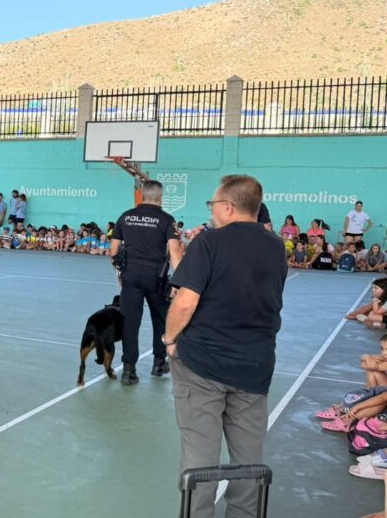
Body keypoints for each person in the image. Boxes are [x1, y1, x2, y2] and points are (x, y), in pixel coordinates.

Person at [162, 174, 287, 518]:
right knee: (249, 458)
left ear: (228, 207)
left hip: (203, 364)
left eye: (213, 204)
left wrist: (169, 339)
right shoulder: (276, 246)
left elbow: (185, 300)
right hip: (255, 366)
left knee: (199, 458)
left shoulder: (209, 242)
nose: (212, 211)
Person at [110, 180, 184, 384]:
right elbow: (175, 251)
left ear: (142, 196)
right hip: (155, 278)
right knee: (160, 319)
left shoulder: (126, 216)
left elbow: (114, 250)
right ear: (160, 198)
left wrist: (120, 274)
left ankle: (128, 370)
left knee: (130, 322)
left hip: (130, 276)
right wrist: (179, 282)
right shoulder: (166, 219)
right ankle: (159, 363)